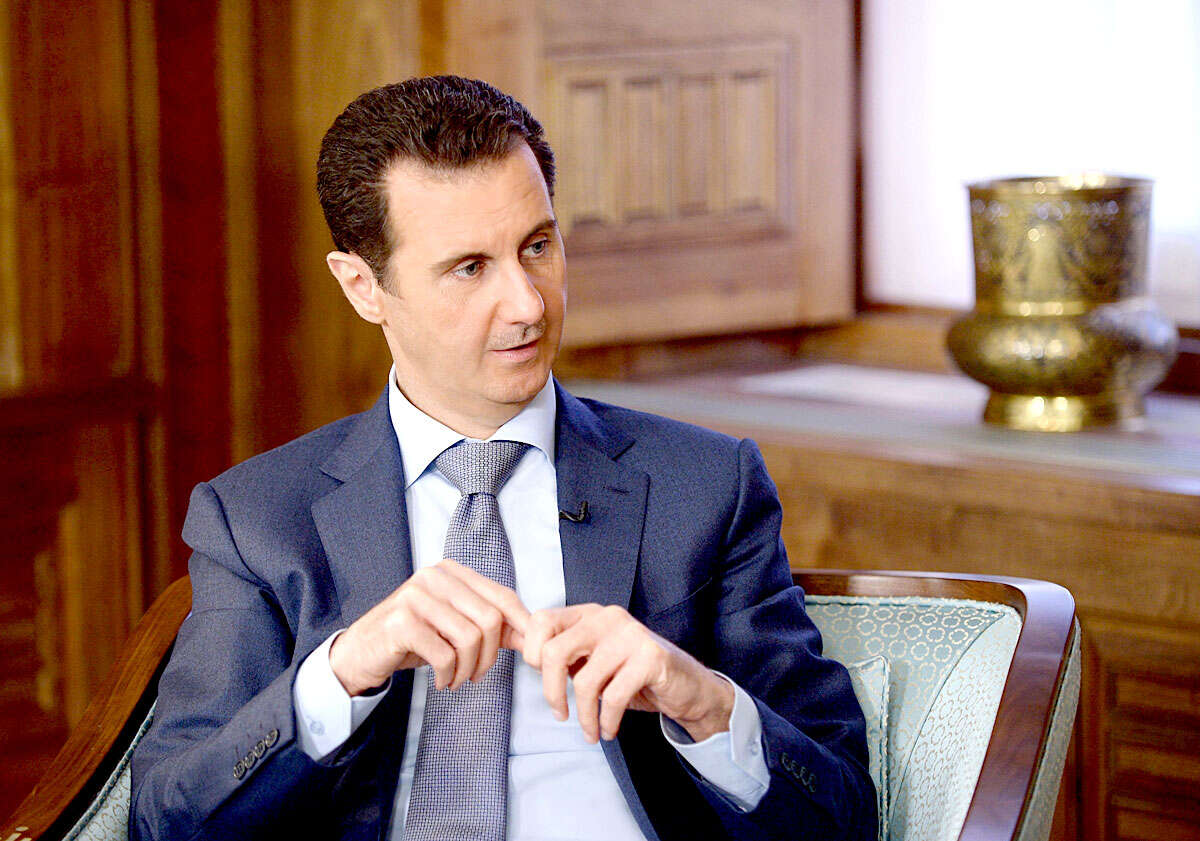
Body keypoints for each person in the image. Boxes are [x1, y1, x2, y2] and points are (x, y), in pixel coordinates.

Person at [130, 76, 875, 841]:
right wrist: (341, 670)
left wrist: (704, 702)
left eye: (537, 246)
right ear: (362, 286)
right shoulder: (256, 519)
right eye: (470, 267)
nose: (528, 304)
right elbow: (166, 821)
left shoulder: (706, 486)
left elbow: (845, 815)